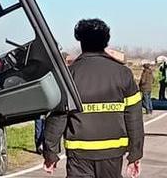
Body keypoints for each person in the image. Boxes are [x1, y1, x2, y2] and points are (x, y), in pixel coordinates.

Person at [43, 19, 145, 178]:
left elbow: (58, 116)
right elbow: (134, 117)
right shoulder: (123, 73)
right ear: (106, 42)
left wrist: (50, 153)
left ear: (81, 42)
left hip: (79, 156)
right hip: (113, 154)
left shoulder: (69, 75)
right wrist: (135, 154)